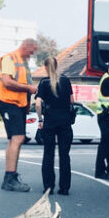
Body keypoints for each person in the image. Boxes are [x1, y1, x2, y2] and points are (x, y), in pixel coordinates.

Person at [0, 37, 39, 192]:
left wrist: (27, 107)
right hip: (10, 103)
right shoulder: (9, 58)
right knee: (18, 138)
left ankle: (9, 177)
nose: (31, 54)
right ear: (25, 46)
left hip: (18, 106)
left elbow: (25, 84)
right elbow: (7, 82)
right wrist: (28, 89)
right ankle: (10, 178)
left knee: (14, 140)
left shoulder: (24, 63)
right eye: (31, 51)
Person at [35, 56, 75, 195]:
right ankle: (64, 188)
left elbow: (38, 104)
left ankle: (48, 186)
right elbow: (72, 101)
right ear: (57, 66)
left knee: (48, 154)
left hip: (50, 121)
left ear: (45, 68)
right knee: (64, 155)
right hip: (64, 121)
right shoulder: (66, 80)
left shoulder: (43, 83)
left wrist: (40, 119)